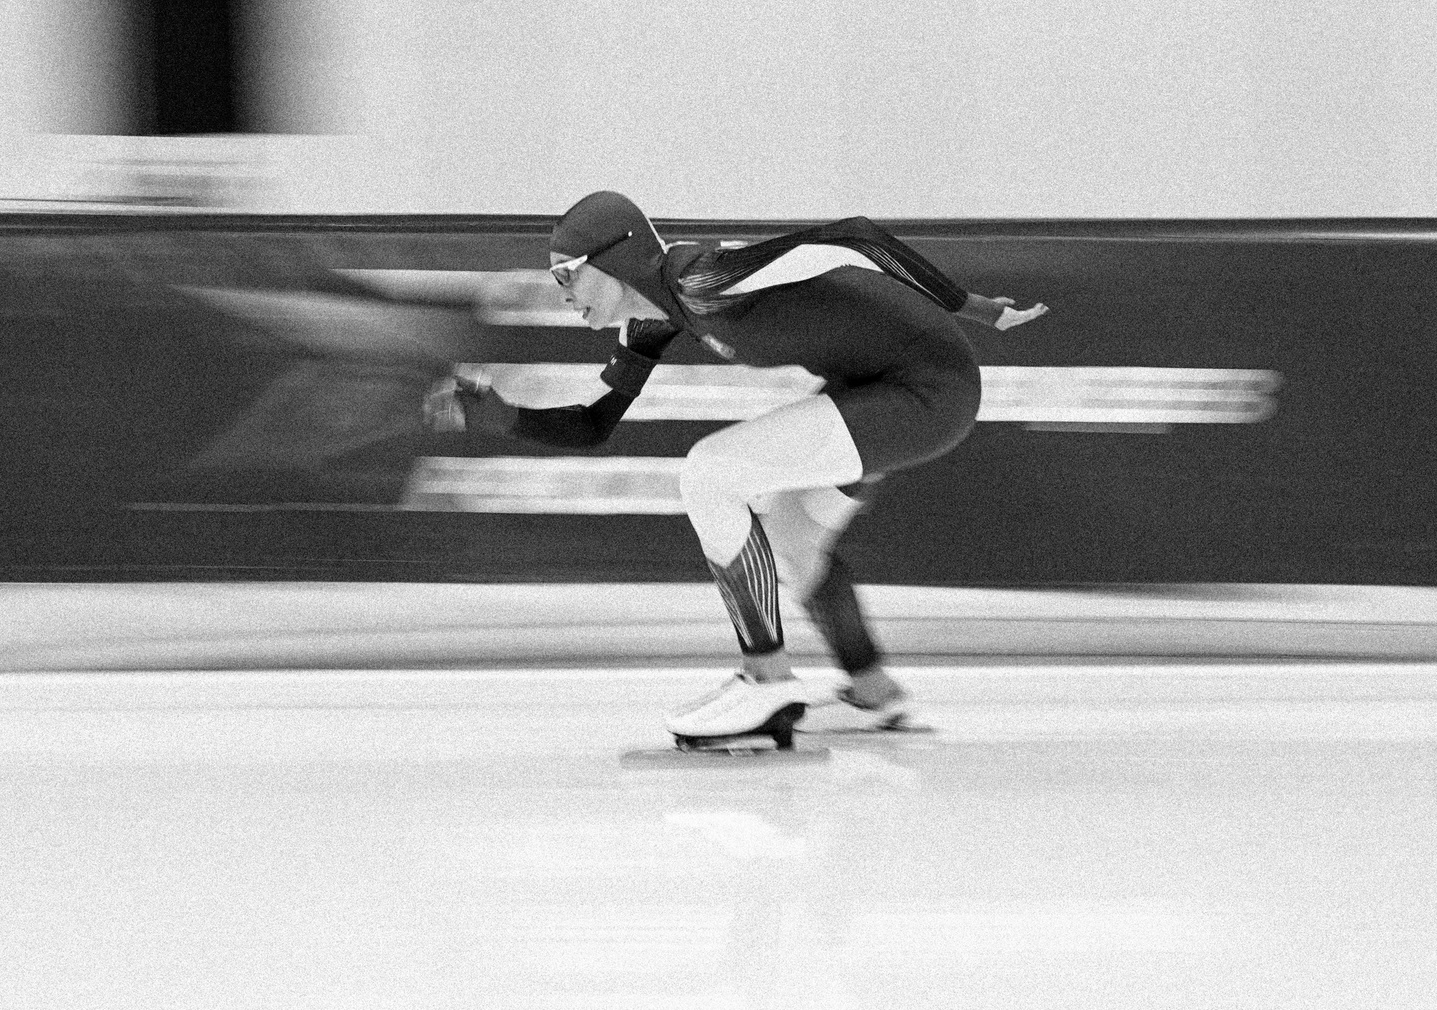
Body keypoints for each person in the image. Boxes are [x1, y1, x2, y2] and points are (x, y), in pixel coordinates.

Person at [427, 191, 1046, 747]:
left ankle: (766, 674)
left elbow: (855, 236)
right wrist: (503, 418)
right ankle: (873, 694)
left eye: (568, 274)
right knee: (795, 539)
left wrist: (978, 308)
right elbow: (593, 425)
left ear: (615, 256)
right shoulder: (652, 319)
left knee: (710, 472)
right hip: (874, 387)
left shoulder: (700, 279)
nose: (563, 293)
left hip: (927, 392)